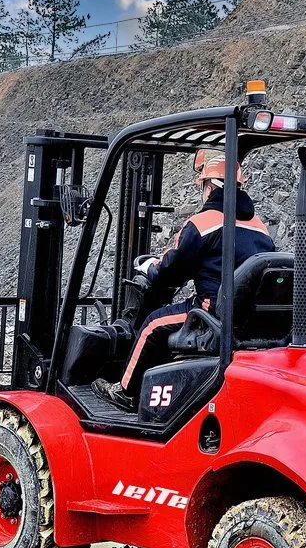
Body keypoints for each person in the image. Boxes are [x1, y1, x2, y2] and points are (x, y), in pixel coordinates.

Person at [92, 152, 276, 411]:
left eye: (203, 186)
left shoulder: (203, 223)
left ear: (209, 186)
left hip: (211, 313)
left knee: (151, 324)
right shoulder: (260, 227)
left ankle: (125, 392)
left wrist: (150, 267)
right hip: (247, 318)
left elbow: (172, 268)